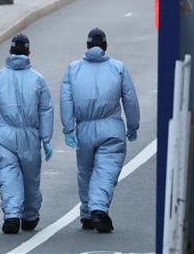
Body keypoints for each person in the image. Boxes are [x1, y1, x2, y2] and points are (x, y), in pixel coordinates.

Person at [60, 27, 140, 233]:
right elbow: (129, 99)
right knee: (106, 170)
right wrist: (132, 126)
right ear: (105, 46)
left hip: (84, 128)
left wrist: (68, 128)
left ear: (87, 46)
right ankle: (98, 209)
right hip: (110, 127)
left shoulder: (73, 68)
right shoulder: (118, 68)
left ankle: (87, 212)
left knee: (86, 171)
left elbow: (65, 99)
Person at [0, 34, 54, 234]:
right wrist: (46, 138)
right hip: (30, 135)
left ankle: (12, 215)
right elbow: (45, 109)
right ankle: (29, 215)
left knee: (8, 174)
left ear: (10, 52)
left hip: (4, 134)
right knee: (30, 177)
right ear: (29, 52)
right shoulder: (37, 79)